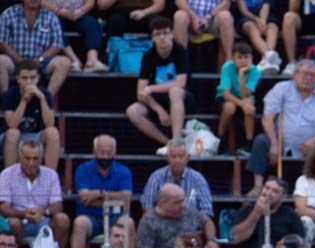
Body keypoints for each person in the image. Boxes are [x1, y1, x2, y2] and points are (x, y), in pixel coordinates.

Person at [246, 60, 315, 193]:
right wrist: (274, 143)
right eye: (305, 74)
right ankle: (257, 186)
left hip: (312, 145)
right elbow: (267, 117)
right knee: (261, 141)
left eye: (313, 75)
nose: (308, 78)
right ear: (295, 74)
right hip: (281, 141)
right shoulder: (281, 89)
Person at [126, 16, 192, 149]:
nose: (162, 37)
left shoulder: (180, 52)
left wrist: (152, 88)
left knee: (175, 91)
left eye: (166, 33)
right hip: (158, 102)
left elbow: (180, 83)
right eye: (157, 34)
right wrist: (158, 109)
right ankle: (168, 143)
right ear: (152, 38)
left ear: (172, 35)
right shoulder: (148, 56)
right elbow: (141, 92)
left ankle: (177, 139)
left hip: (182, 99)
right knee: (132, 111)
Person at [70, 135, 134, 248]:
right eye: (101, 152)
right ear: (94, 151)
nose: (105, 156)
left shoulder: (123, 171)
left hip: (114, 217)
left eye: (108, 153)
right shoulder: (83, 170)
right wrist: (114, 198)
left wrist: (99, 194)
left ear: (114, 152)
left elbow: (126, 197)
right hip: (90, 218)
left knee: (129, 222)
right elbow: (85, 198)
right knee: (79, 223)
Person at [0, 139, 68, 248]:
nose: (31, 163)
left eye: (35, 158)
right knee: (13, 223)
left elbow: (58, 206)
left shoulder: (51, 175)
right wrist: (24, 214)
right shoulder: (7, 174)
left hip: (43, 220)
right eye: (27, 158)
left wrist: (43, 211)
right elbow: (3, 208)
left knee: (62, 219)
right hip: (19, 220)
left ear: (41, 159)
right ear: (20, 158)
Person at [0, 0, 72, 97]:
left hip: (42, 61)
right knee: (1, 61)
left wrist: (40, 59)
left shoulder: (51, 17)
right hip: (15, 60)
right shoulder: (8, 14)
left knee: (64, 63)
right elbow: (2, 41)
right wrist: (19, 60)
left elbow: (57, 44)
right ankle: (5, 101)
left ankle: (46, 100)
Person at [229, 176, 307, 248]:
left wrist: (287, 242)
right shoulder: (246, 211)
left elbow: (301, 242)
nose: (268, 193)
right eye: (267, 188)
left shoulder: (290, 215)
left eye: (275, 191)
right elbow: (237, 238)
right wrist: (256, 213)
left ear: (283, 197)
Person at [2, 59, 59, 171]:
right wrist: (24, 101)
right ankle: (10, 179)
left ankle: (49, 179)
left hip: (35, 136)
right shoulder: (9, 95)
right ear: (18, 79)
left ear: (37, 78)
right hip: (11, 138)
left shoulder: (45, 94)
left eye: (32, 78)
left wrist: (42, 99)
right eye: (24, 78)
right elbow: (12, 124)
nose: (29, 82)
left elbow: (50, 123)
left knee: (53, 132)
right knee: (13, 133)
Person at [136, 182, 216, 248]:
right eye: (177, 202)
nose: (182, 205)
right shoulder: (149, 221)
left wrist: (211, 240)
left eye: (183, 201)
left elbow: (207, 222)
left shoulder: (188, 212)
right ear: (163, 202)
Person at [141, 139, 214, 219]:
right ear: (167, 158)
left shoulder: (198, 179)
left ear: (188, 158)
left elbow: (207, 210)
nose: (177, 160)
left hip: (190, 225)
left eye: (181, 156)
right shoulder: (156, 177)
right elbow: (147, 208)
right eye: (173, 156)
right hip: (162, 225)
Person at [42, 0, 109, 74]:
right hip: (55, 14)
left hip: (79, 13)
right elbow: (43, 2)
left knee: (93, 25)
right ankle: (74, 61)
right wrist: (60, 11)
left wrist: (81, 10)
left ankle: (92, 61)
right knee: (54, 26)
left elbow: (90, 2)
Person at [216, 41, 260, 143]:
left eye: (246, 57)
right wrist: (242, 104)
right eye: (239, 57)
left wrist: (241, 75)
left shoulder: (255, 71)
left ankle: (249, 142)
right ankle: (220, 139)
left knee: (250, 107)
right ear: (233, 58)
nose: (243, 60)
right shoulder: (227, 67)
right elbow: (226, 94)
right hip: (227, 97)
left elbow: (245, 95)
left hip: (244, 97)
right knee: (229, 107)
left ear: (251, 58)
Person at [173, 0, 236, 69]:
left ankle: (229, 60)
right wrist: (193, 16)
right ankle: (181, 60)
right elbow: (179, 1)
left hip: (213, 18)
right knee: (180, 16)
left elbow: (226, 3)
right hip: (190, 17)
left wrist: (208, 17)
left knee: (225, 15)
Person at [233, 0, 282, 74]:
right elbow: (243, 10)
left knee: (273, 27)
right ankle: (269, 56)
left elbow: (266, 6)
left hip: (265, 18)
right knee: (251, 27)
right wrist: (256, 20)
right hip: (247, 18)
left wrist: (262, 21)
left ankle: (265, 61)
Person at [99, 0, 166, 40]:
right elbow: (102, 5)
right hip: (120, 13)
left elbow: (160, 5)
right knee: (115, 22)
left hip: (145, 12)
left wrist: (144, 12)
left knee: (157, 23)